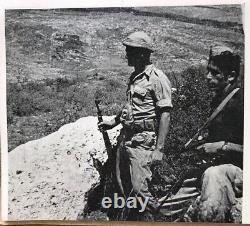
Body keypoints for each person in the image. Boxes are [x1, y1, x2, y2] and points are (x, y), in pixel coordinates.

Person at [98, 31, 172, 220]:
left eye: (130, 51)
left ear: (141, 53)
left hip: (143, 141)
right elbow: (130, 107)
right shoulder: (135, 77)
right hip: (127, 137)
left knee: (141, 190)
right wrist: (113, 122)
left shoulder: (157, 78)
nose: (126, 55)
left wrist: (159, 150)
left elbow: (165, 114)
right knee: (124, 187)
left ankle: (160, 219)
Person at [184, 45, 243, 222]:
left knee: (213, 175)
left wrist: (221, 147)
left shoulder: (242, 102)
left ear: (231, 76)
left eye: (215, 73)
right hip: (222, 166)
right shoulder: (219, 99)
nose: (207, 77)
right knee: (169, 203)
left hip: (236, 172)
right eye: (208, 71)